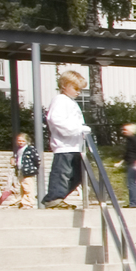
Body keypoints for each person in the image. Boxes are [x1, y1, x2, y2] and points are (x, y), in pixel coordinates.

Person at [40, 72, 90, 208]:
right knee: (62, 173)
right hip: (64, 145)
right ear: (64, 86)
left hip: (75, 145)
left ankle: (55, 196)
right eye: (75, 88)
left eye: (80, 89)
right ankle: (54, 197)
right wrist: (78, 129)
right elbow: (56, 120)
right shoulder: (60, 100)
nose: (78, 92)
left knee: (78, 174)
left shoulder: (70, 102)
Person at [0, 130, 38, 210]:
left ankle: (28, 203)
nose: (20, 142)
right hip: (20, 170)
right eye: (19, 140)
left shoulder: (30, 149)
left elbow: (36, 159)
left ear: (26, 141)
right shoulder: (19, 150)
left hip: (28, 171)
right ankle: (20, 202)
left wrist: (33, 168)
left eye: (22, 140)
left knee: (28, 187)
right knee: (19, 187)